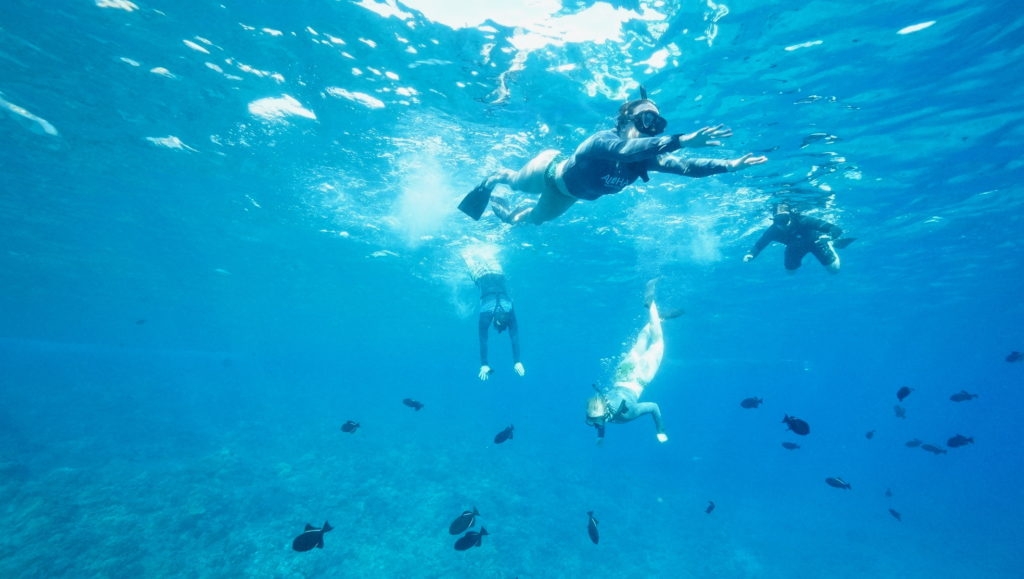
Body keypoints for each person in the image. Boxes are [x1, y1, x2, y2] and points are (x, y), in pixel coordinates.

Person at [457, 87, 768, 225]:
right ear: (627, 122)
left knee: (529, 222)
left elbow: (685, 166)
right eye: (647, 120)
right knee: (514, 183)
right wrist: (683, 139)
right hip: (548, 171)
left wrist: (729, 165)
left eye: (657, 124)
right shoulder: (603, 141)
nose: (652, 128)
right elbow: (625, 150)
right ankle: (496, 177)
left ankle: (507, 214)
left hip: (568, 196)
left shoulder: (646, 158)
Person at [585, 284, 668, 443]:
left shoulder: (627, 414)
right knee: (640, 342)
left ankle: (652, 306)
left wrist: (660, 431)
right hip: (622, 373)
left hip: (639, 377)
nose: (595, 425)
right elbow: (602, 416)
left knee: (657, 342)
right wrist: (600, 436)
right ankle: (656, 318)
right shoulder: (602, 406)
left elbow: (653, 407)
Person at [461, 246, 525, 381]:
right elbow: (483, 339)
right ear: (495, 322)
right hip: (479, 275)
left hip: (498, 273)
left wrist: (517, 361)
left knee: (487, 250)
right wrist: (484, 364)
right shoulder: (486, 313)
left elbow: (514, 336)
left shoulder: (509, 307)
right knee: (466, 255)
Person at [742, 203, 853, 274]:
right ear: (773, 220)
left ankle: (830, 244)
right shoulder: (773, 230)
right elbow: (759, 245)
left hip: (817, 242)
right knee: (790, 273)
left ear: (790, 216)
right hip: (794, 247)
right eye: (778, 221)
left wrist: (829, 237)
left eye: (784, 219)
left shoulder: (804, 220)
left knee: (834, 270)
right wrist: (751, 255)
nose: (782, 224)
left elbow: (836, 229)